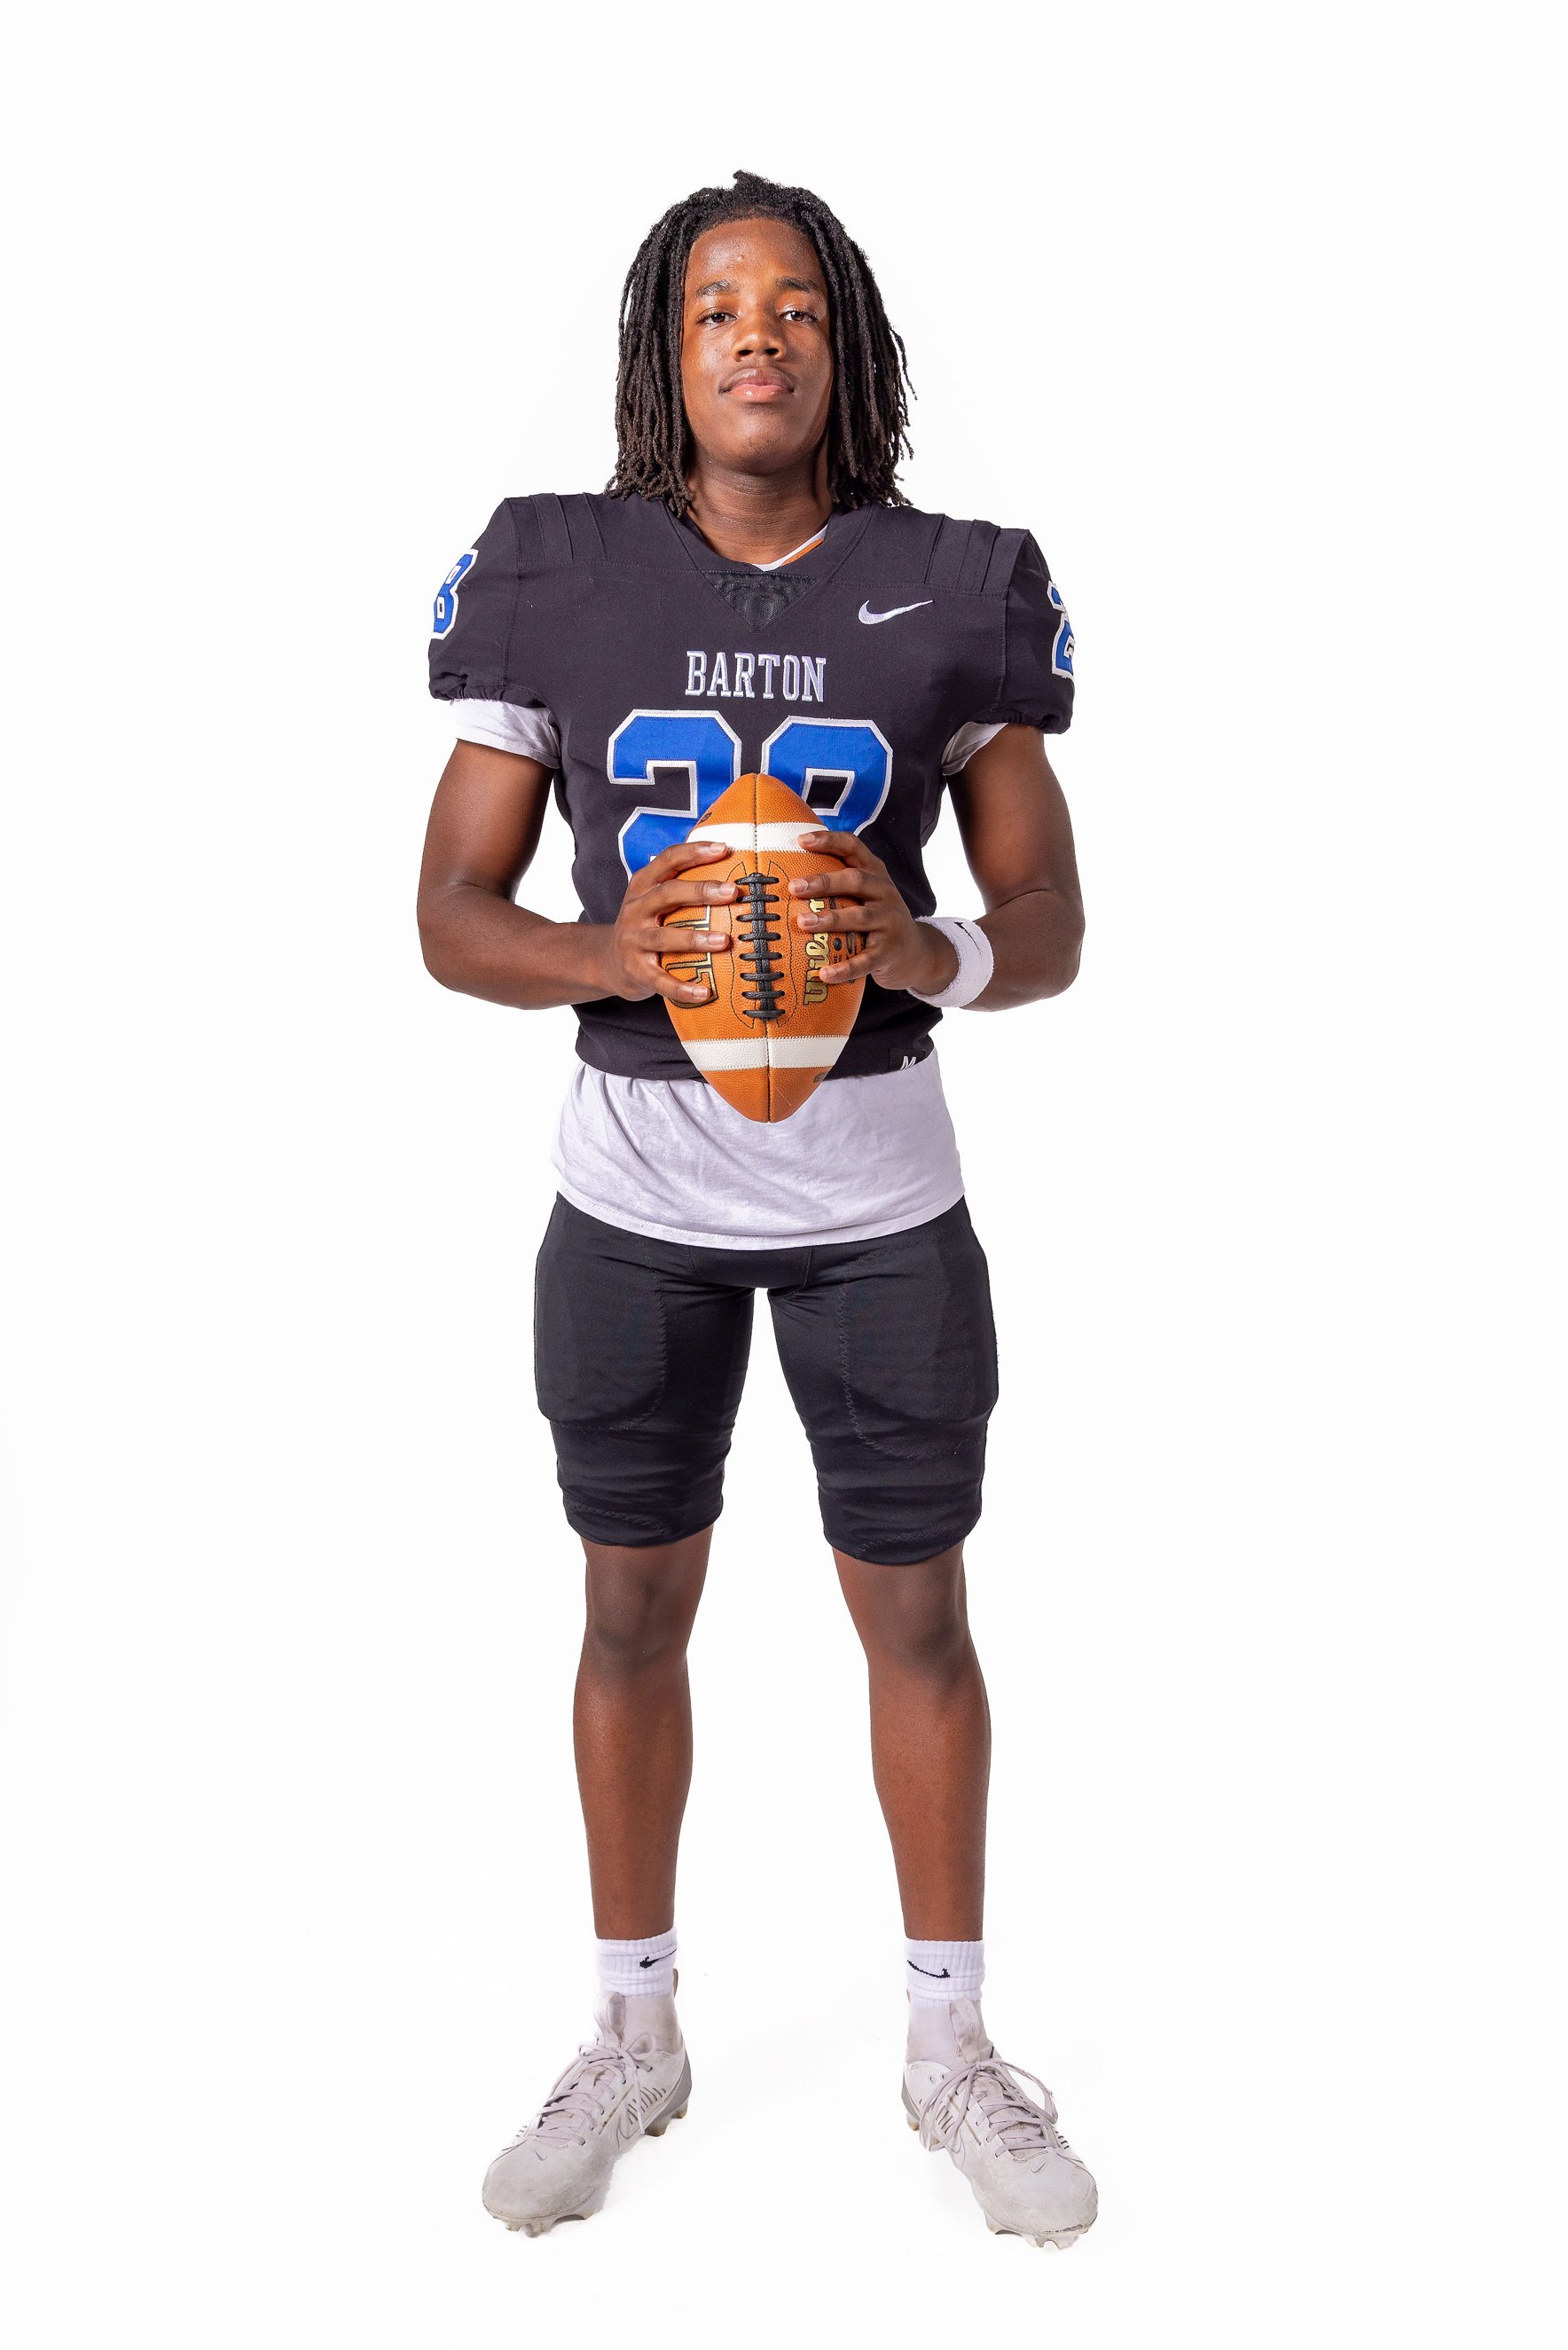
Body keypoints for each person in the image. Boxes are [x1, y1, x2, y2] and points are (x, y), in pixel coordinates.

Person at [418, 170, 1095, 2249]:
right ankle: (633, 2027)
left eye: (794, 305)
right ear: (664, 347)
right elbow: (447, 912)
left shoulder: (954, 585)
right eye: (716, 306)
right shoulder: (552, 569)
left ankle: (947, 2046)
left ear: (844, 345)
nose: (755, 337)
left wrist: (929, 946)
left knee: (918, 1610)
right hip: (632, 1185)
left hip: (878, 1188)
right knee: (628, 1608)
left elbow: (1049, 918)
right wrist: (606, 951)